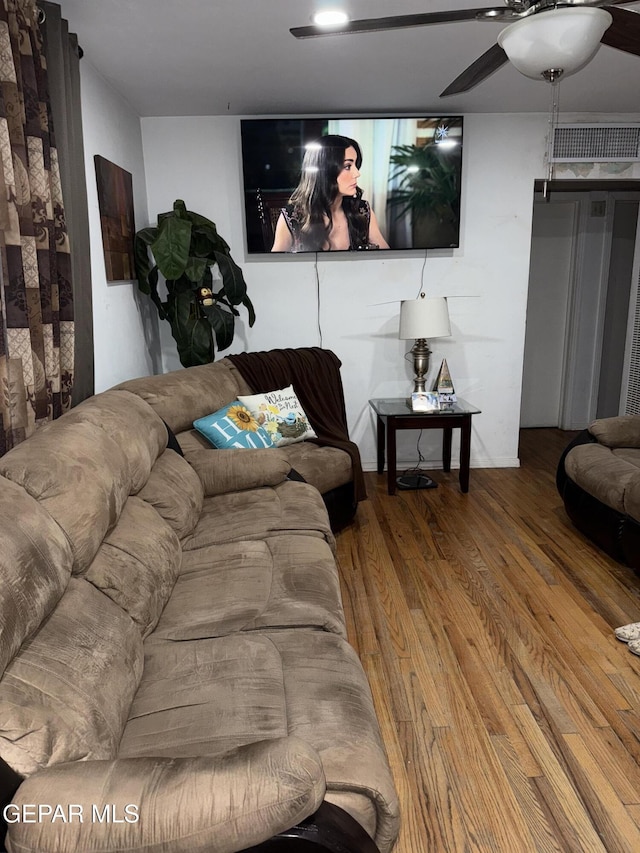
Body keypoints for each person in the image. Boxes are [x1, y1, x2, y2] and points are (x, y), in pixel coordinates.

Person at [271, 134, 390, 253]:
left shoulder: (362, 211)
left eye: (355, 165)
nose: (357, 173)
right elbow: (274, 267)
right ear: (326, 171)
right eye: (348, 166)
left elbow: (388, 258)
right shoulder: (293, 217)